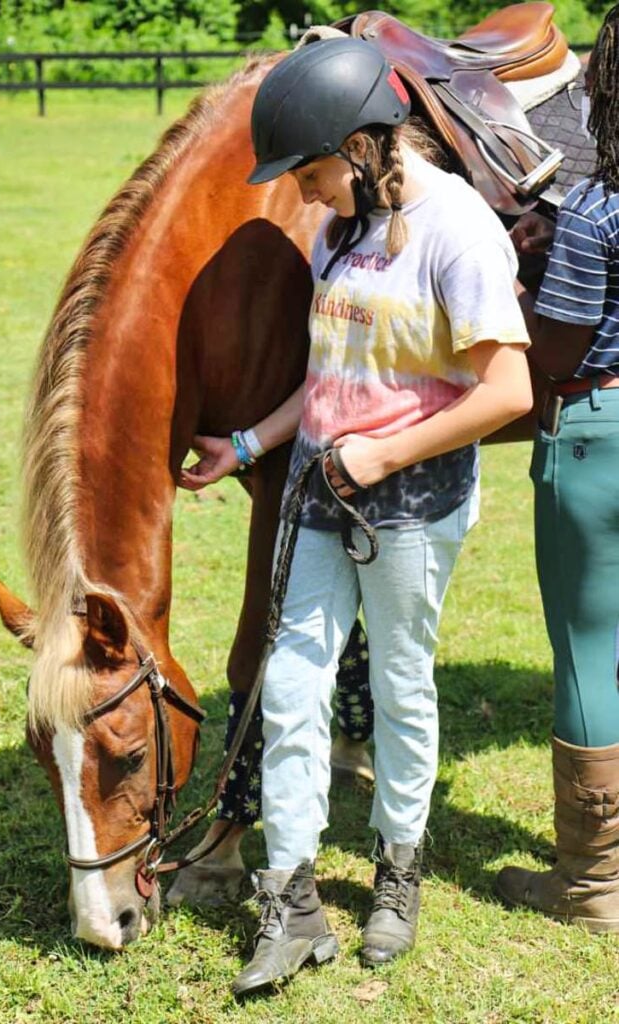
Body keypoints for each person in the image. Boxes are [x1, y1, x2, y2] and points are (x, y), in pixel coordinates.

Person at [180, 37, 532, 994]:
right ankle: (291, 899)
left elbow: (506, 391)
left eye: (309, 171)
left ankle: (396, 871)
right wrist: (250, 443)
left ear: (363, 145)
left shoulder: (459, 231)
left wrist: (382, 452)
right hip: (316, 493)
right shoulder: (340, 227)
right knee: (293, 686)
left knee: (400, 685)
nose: (301, 192)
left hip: (409, 508)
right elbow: (331, 373)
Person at [496, 4, 619, 933]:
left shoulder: (593, 209)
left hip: (597, 433)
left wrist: (515, 292)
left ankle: (590, 883)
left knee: (587, 652)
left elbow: (556, 353)